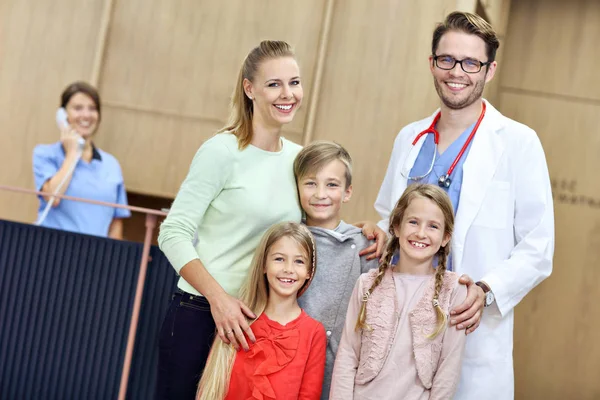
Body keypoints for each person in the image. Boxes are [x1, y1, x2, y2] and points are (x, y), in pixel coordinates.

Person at [374, 11, 554, 399]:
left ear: (489, 70)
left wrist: (487, 289)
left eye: (471, 62)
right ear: (432, 63)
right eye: (447, 59)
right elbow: (389, 220)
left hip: (467, 326)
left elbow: (538, 248)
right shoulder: (410, 138)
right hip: (399, 325)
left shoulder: (518, 143)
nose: (457, 72)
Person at [331, 184, 467, 399]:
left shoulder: (454, 291)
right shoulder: (367, 284)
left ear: (445, 237)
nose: (420, 233)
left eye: (433, 226)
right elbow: (348, 355)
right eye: (413, 222)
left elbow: (448, 369)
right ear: (396, 226)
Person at [197, 222, 326, 400]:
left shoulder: (314, 332)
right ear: (264, 265)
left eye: (299, 261)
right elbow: (213, 386)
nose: (288, 269)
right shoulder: (237, 318)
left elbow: (309, 396)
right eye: (279, 259)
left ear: (309, 272)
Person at [293, 140, 378, 399]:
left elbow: (373, 312)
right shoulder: (285, 238)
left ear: (347, 192)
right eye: (310, 183)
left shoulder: (365, 245)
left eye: (331, 184)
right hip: (289, 358)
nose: (320, 193)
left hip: (340, 366)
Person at [32, 81, 131, 239]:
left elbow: (116, 221)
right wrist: (72, 154)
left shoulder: (111, 165)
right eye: (78, 108)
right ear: (63, 115)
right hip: (51, 249)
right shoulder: (45, 154)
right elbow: (53, 197)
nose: (86, 115)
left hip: (93, 255)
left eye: (92, 108)